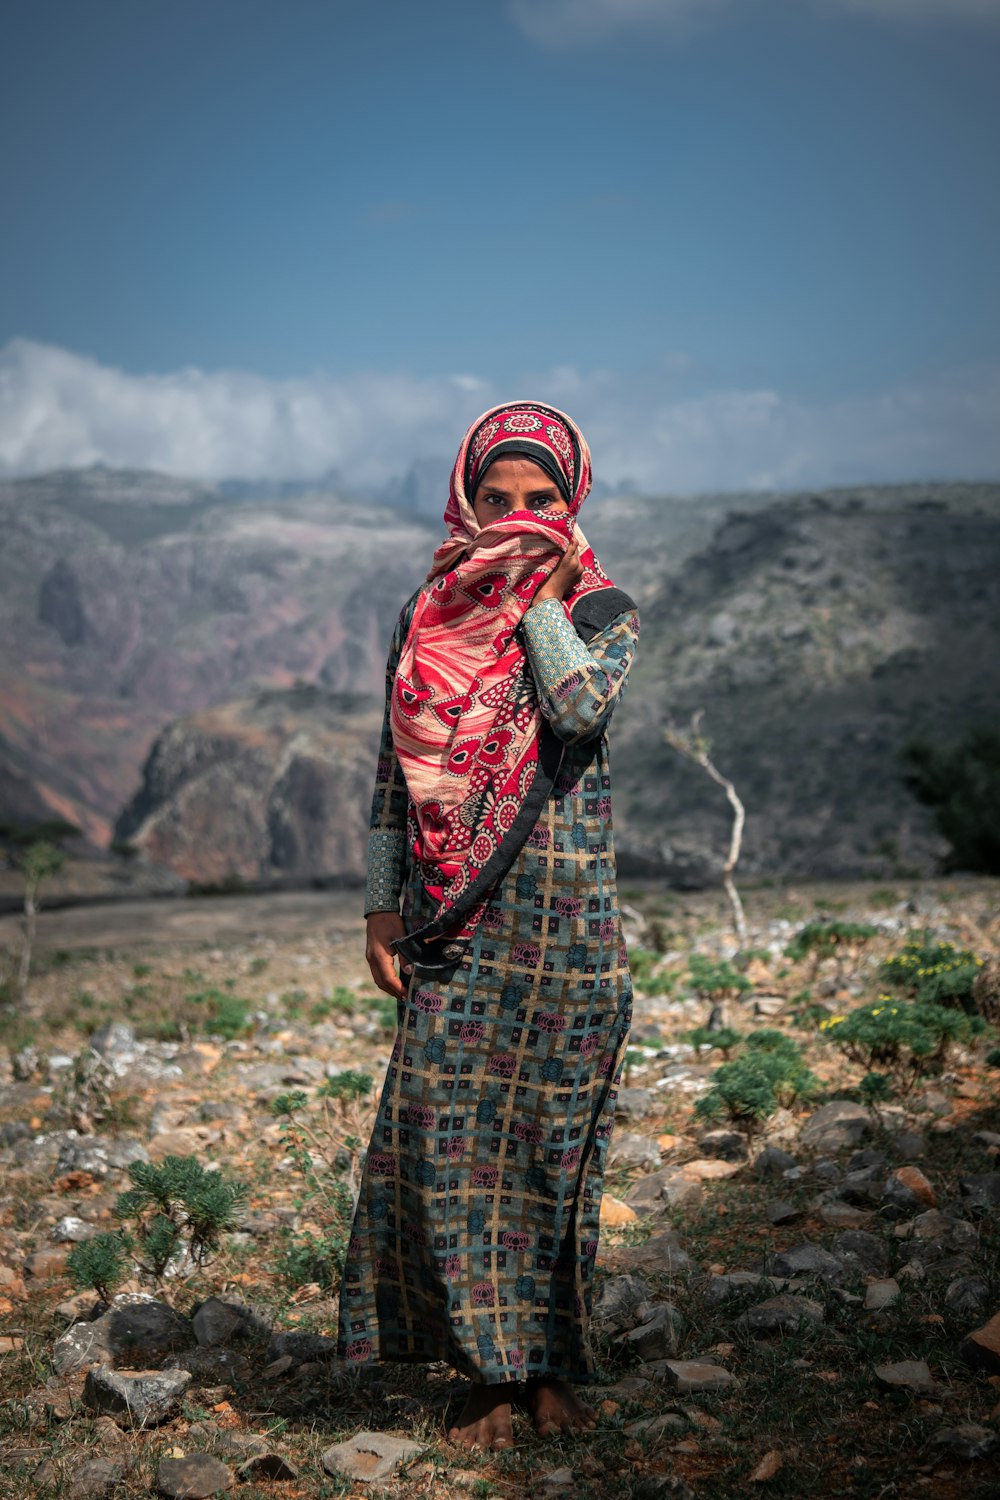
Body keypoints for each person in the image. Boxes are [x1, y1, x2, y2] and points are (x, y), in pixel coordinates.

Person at [336, 401, 640, 1450]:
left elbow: (578, 709)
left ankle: (549, 1365)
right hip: (452, 918)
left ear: (573, 500)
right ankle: (480, 1375)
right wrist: (381, 905)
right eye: (497, 499)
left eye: (540, 499)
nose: (518, 516)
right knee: (450, 1141)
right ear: (466, 500)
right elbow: (392, 773)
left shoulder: (602, 608)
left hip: (567, 922)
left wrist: (543, 602)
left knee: (554, 1141)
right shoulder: (425, 615)